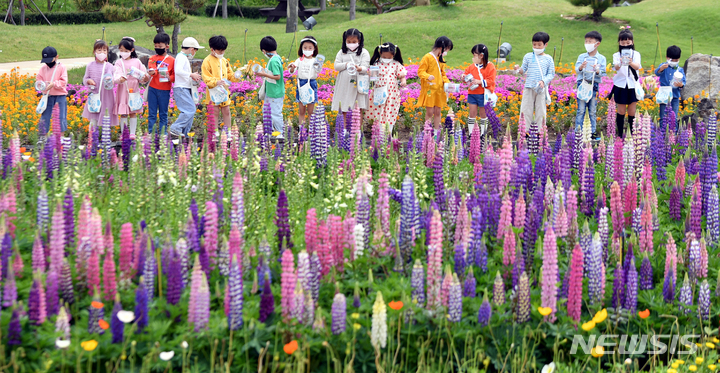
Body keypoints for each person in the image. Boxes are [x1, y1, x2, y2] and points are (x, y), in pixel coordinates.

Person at [367, 42, 407, 143]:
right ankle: (380, 134)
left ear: (393, 55)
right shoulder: (377, 64)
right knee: (379, 112)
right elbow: (373, 78)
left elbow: (402, 75)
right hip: (380, 92)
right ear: (380, 53)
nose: (386, 59)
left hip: (392, 94)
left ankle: (389, 133)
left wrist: (403, 81)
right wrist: (370, 74)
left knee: (391, 112)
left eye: (388, 57)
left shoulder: (396, 64)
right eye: (384, 56)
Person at [516, 32, 555, 129]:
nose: (536, 47)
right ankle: (525, 131)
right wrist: (518, 69)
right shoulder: (528, 56)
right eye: (534, 44)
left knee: (541, 110)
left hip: (541, 89)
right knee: (525, 109)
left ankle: (540, 131)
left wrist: (543, 81)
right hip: (529, 87)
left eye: (539, 45)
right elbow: (523, 70)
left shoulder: (548, 59)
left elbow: (551, 74)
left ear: (545, 45)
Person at [202, 35, 240, 130]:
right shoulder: (207, 61)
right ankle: (214, 133)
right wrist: (216, 82)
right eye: (219, 51)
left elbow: (230, 74)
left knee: (226, 111)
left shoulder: (224, 60)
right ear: (212, 49)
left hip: (224, 91)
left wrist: (236, 76)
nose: (222, 52)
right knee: (214, 112)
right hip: (213, 92)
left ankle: (228, 132)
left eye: (223, 50)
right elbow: (206, 77)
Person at [574, 31, 606, 140]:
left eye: (590, 42)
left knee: (592, 110)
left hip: (594, 85)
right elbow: (577, 70)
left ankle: (592, 132)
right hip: (582, 84)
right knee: (581, 110)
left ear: (597, 43)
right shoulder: (582, 56)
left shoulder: (601, 58)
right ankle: (578, 132)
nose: (587, 43)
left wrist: (597, 70)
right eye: (586, 41)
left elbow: (603, 72)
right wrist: (581, 67)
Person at [169, 37, 204, 138]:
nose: (194, 53)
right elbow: (178, 71)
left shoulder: (183, 57)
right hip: (181, 88)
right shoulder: (181, 57)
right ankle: (176, 128)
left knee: (190, 111)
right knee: (190, 110)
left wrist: (192, 77)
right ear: (192, 49)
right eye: (195, 51)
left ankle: (184, 133)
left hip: (185, 87)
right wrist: (191, 74)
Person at [113, 37, 148, 139]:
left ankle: (132, 133)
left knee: (133, 112)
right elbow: (116, 74)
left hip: (134, 90)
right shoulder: (119, 62)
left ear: (132, 50)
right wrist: (120, 79)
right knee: (123, 113)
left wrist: (145, 77)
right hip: (123, 90)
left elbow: (143, 76)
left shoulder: (137, 62)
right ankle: (124, 133)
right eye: (121, 51)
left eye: (126, 51)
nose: (123, 53)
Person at [610, 28, 641, 138]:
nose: (625, 44)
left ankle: (631, 134)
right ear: (619, 42)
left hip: (632, 85)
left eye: (628, 42)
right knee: (621, 111)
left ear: (632, 42)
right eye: (623, 42)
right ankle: (619, 134)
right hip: (621, 85)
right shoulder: (616, 55)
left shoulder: (636, 54)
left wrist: (630, 62)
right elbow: (615, 68)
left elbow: (637, 67)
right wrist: (621, 62)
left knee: (632, 111)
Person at [418, 36, 453, 133]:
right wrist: (427, 76)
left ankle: (437, 132)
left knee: (438, 111)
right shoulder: (427, 57)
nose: (446, 52)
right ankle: (427, 132)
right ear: (442, 47)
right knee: (429, 112)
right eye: (447, 49)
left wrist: (447, 83)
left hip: (439, 90)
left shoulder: (440, 59)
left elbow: (443, 74)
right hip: (430, 89)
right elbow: (421, 71)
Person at [331, 28, 370, 114]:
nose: (351, 44)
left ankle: (358, 127)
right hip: (345, 83)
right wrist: (346, 64)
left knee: (358, 108)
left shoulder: (364, 53)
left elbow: (365, 67)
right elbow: (336, 66)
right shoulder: (342, 52)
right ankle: (344, 126)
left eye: (354, 42)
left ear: (359, 41)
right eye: (349, 42)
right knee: (344, 106)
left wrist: (359, 68)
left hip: (358, 83)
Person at [82, 40, 118, 128]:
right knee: (94, 118)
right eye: (99, 50)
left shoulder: (109, 66)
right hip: (95, 95)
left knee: (106, 117)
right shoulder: (90, 65)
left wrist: (110, 79)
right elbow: (85, 79)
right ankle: (92, 137)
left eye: (104, 50)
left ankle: (105, 138)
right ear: (94, 52)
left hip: (106, 96)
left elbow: (112, 78)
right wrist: (89, 81)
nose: (102, 53)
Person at [463, 43, 496, 136]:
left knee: (483, 114)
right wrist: (463, 77)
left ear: (481, 56)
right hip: (472, 93)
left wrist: (479, 81)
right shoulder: (472, 66)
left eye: (474, 55)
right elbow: (466, 74)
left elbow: (491, 80)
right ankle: (470, 133)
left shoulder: (490, 66)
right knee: (472, 113)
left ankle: (482, 134)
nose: (473, 58)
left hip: (483, 94)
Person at [255, 36, 285, 138]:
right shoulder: (276, 58)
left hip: (275, 93)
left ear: (264, 50)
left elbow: (277, 76)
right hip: (272, 91)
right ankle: (271, 131)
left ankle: (279, 133)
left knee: (275, 113)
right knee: (267, 111)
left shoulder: (273, 60)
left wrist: (264, 75)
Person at [36, 46, 68, 136]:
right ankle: (44, 139)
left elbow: (64, 81)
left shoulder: (61, 67)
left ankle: (60, 139)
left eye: (50, 60)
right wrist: (41, 85)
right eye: (46, 61)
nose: (48, 63)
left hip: (60, 97)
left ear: (56, 57)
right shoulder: (43, 69)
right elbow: (38, 80)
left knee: (61, 118)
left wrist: (53, 84)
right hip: (47, 97)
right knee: (45, 117)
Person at [147, 32, 175, 135]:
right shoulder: (152, 58)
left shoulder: (172, 60)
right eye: (156, 46)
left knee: (163, 113)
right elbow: (152, 69)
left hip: (165, 90)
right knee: (152, 113)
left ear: (167, 46)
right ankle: (151, 133)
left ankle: (163, 134)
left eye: (160, 46)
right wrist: (153, 72)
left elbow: (174, 77)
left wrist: (169, 77)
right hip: (152, 89)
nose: (157, 48)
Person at [288, 36, 320, 127]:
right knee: (302, 110)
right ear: (301, 49)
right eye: (305, 48)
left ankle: (311, 130)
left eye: (310, 48)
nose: (307, 50)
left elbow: (318, 70)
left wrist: (318, 65)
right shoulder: (299, 60)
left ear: (314, 49)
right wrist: (292, 68)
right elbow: (292, 70)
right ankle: (301, 130)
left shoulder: (315, 61)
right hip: (301, 84)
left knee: (311, 111)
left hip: (311, 84)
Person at [655, 45, 686, 127]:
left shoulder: (680, 69)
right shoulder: (663, 66)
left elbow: (684, 82)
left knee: (674, 117)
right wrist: (661, 68)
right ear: (667, 57)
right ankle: (662, 133)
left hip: (675, 96)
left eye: (676, 60)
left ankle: (674, 135)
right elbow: (657, 73)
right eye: (672, 60)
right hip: (664, 96)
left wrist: (681, 84)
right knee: (663, 116)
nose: (674, 62)